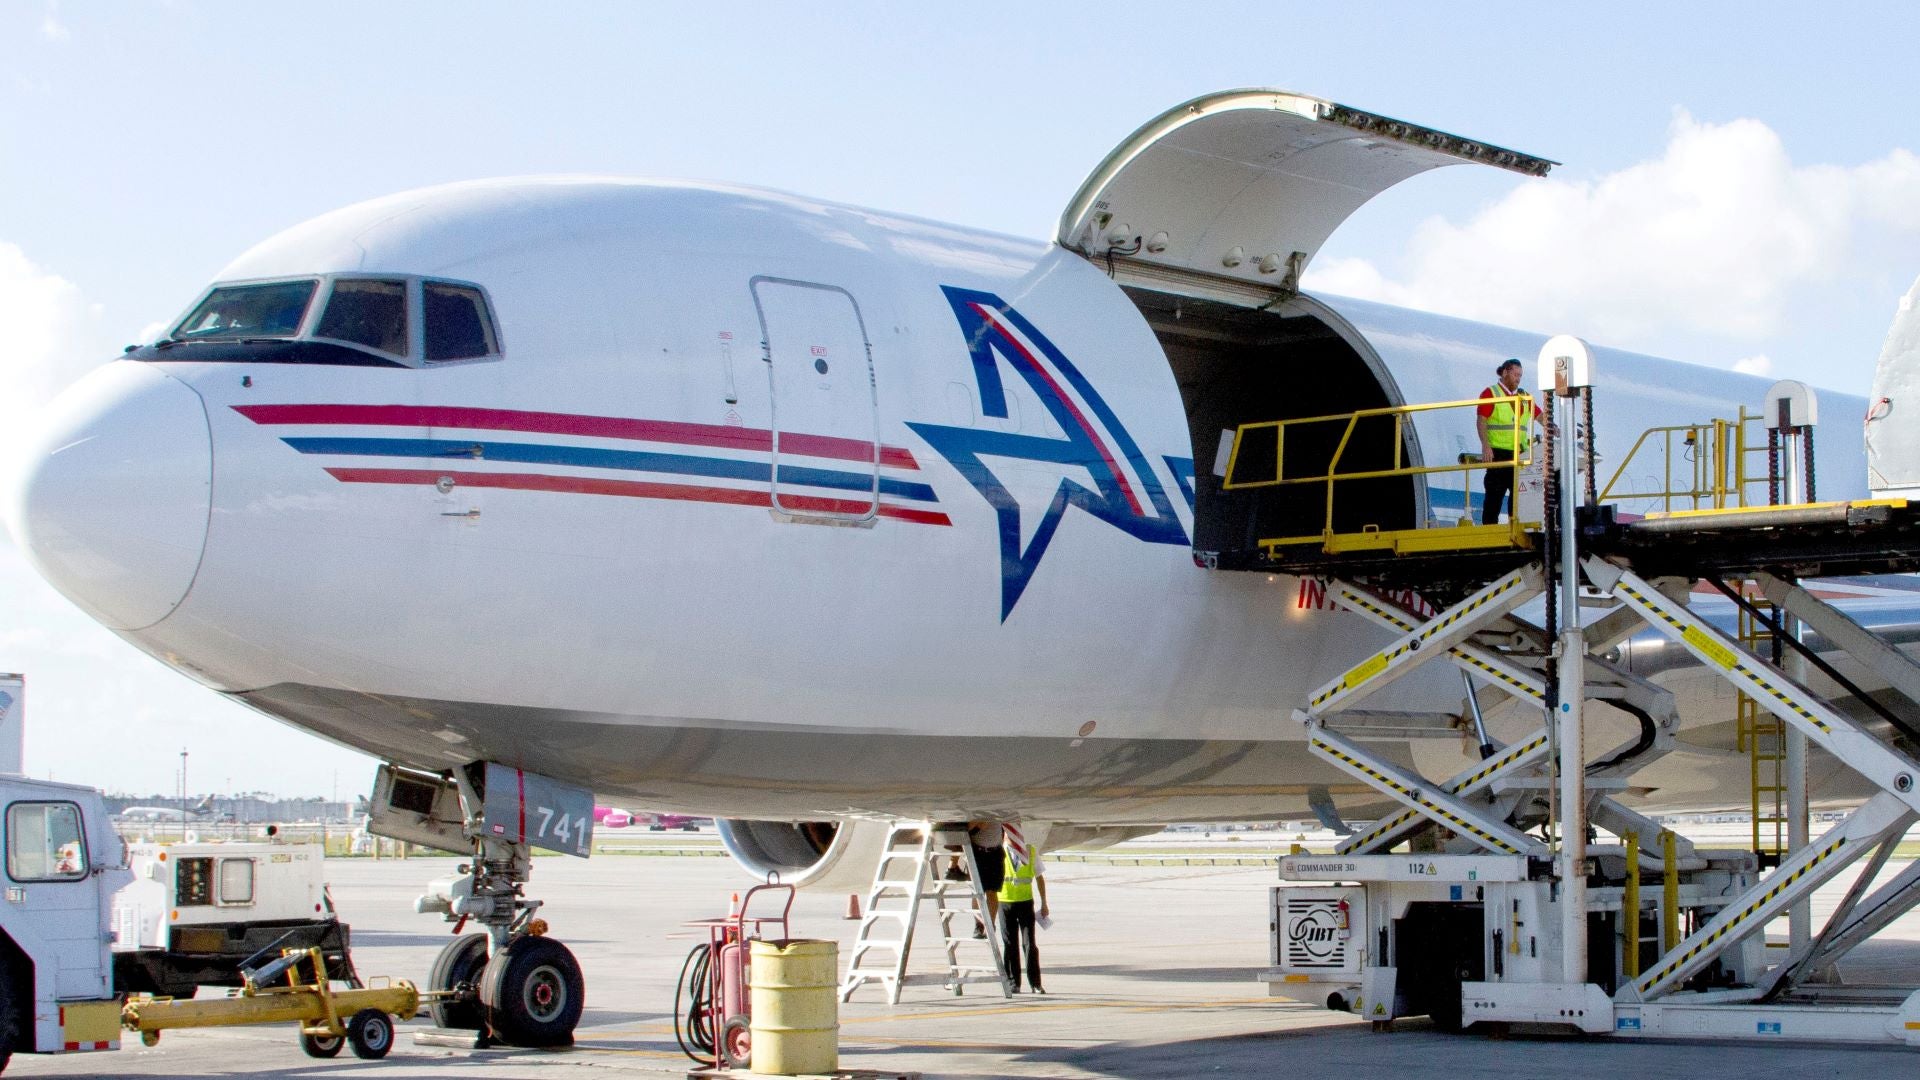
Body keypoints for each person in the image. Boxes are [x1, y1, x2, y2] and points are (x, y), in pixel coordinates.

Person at [1476, 358, 1544, 524]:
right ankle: (1489, 529)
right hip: (1498, 453)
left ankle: (1515, 527)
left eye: (1520, 375)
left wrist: (1554, 427)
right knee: (1494, 496)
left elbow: (1540, 416)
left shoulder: (1525, 396)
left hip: (1519, 455)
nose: (1518, 378)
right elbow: (1481, 421)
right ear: (1505, 372)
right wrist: (1486, 446)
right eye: (1515, 374)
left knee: (1519, 496)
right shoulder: (1490, 393)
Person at [997, 844, 1048, 994]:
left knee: (1029, 944)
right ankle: (1014, 983)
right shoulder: (999, 850)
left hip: (1025, 901)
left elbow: (1040, 878)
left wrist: (1044, 902)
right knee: (1009, 944)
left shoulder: (1031, 851)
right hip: (1004, 901)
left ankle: (1035, 983)